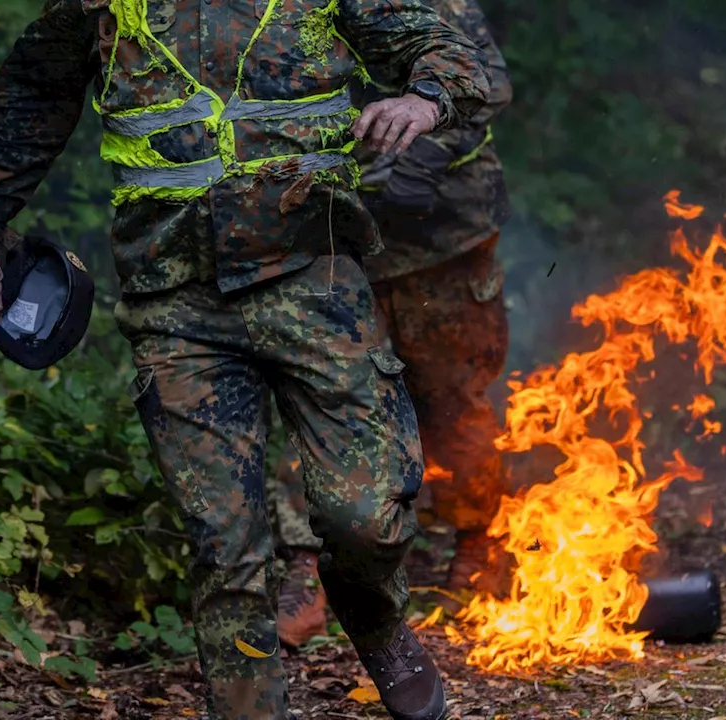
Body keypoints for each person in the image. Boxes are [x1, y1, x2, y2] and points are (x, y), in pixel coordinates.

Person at [0, 2, 488, 719]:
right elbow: (32, 91)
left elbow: (446, 49)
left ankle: (378, 623)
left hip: (314, 277)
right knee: (224, 545)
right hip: (174, 302)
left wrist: (424, 100)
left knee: (365, 515)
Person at [270, 0, 513, 650]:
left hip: (440, 233)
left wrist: (425, 155)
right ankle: (312, 572)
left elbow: (483, 84)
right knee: (317, 395)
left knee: (449, 394)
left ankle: (478, 541)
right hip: (326, 233)